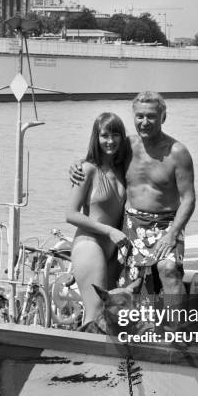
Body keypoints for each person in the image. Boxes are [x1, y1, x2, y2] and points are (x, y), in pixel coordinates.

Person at [70, 92, 195, 304]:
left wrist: (172, 234)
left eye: (151, 117)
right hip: (132, 225)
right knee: (128, 288)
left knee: (169, 269)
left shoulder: (177, 152)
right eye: (140, 117)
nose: (144, 122)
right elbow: (101, 159)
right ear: (134, 117)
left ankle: (178, 332)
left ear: (163, 117)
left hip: (166, 226)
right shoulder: (126, 146)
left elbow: (189, 199)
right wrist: (78, 164)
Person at [66, 112, 129, 326]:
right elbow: (71, 214)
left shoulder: (122, 169)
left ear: (122, 137)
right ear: (96, 137)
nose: (110, 141)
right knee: (96, 314)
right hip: (90, 245)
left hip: (112, 252)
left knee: (110, 316)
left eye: (115, 135)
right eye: (104, 135)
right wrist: (110, 231)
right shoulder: (87, 169)